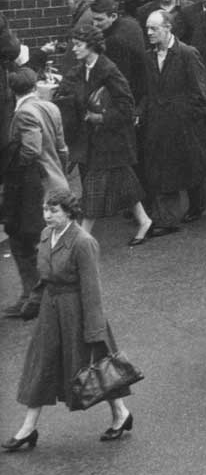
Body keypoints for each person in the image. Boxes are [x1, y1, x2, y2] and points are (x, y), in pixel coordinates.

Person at [4, 191, 134, 451]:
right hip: (51, 312)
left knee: (97, 368)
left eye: (53, 211)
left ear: (69, 212)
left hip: (78, 313)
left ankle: (121, 413)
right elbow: (45, 275)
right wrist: (33, 302)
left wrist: (95, 329)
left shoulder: (83, 242)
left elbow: (92, 288)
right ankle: (28, 428)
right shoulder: (46, 235)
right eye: (45, 210)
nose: (47, 216)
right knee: (40, 365)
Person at [59, 24, 153, 242]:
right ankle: (145, 221)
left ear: (91, 46)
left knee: (92, 188)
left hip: (111, 140)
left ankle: (79, 239)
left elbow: (127, 106)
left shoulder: (108, 70)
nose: (74, 49)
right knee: (124, 182)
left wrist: (99, 118)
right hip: (97, 140)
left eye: (78, 45)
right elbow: (71, 86)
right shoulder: (83, 68)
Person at [137, 6, 206, 232]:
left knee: (192, 166)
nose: (150, 33)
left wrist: (196, 120)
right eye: (147, 29)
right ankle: (166, 220)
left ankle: (197, 206)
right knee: (163, 168)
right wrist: (141, 113)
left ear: (168, 28)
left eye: (154, 29)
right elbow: (148, 90)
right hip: (158, 123)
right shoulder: (148, 56)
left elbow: (202, 90)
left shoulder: (187, 54)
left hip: (185, 123)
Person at [3, 67, 69, 320]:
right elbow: (62, 148)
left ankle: (34, 298)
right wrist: (59, 174)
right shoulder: (50, 107)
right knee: (45, 243)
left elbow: (30, 149)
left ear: (11, 89)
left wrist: (12, 171)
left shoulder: (23, 114)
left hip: (36, 189)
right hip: (56, 183)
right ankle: (38, 298)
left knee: (23, 242)